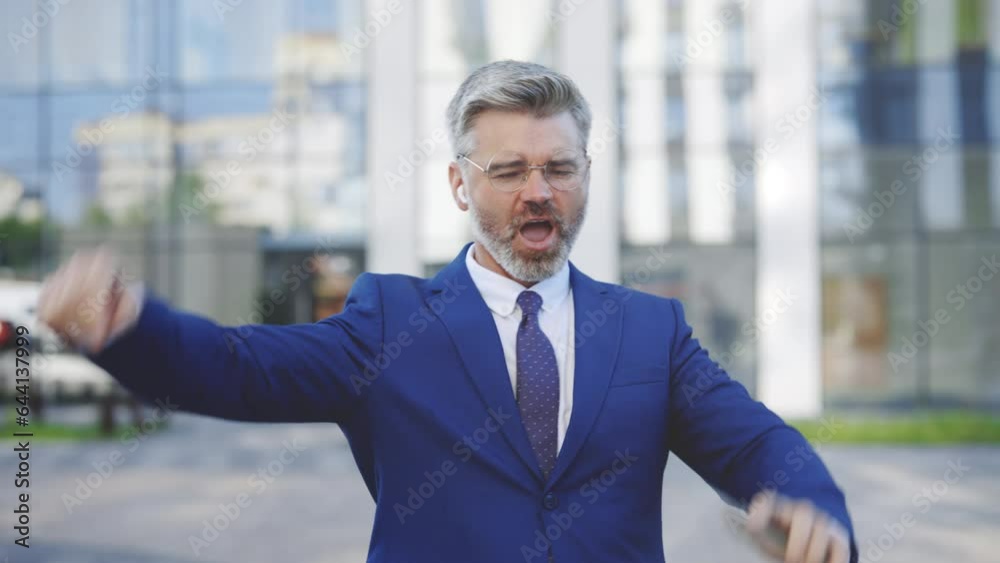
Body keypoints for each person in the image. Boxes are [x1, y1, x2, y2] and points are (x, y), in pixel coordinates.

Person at [38, 60, 857, 563]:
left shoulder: (652, 331)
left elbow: (757, 444)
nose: (539, 191)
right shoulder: (389, 321)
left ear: (586, 174)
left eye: (559, 167)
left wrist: (813, 507)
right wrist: (130, 328)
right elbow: (240, 367)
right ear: (462, 185)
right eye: (509, 170)